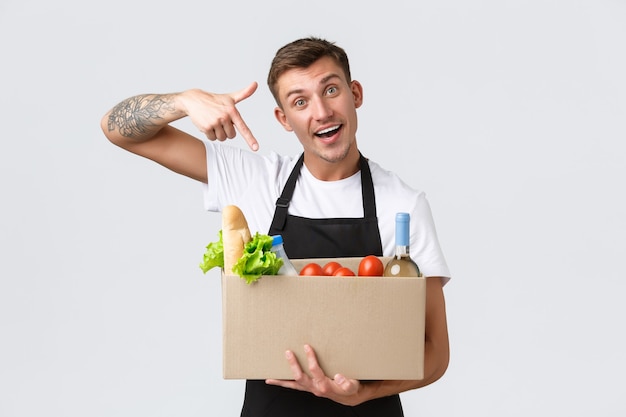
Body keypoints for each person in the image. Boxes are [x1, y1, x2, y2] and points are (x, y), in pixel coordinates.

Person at [101, 37, 450, 417]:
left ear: (355, 94)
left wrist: (364, 393)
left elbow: (434, 351)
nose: (321, 112)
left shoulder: (403, 205)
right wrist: (184, 101)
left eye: (330, 90)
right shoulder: (255, 181)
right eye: (300, 101)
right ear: (283, 118)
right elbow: (115, 128)